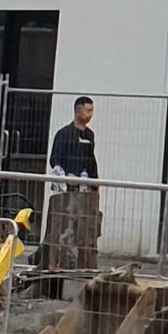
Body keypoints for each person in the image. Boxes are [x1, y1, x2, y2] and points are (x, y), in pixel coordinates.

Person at [46, 94, 101, 281]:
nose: (91, 114)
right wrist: (63, 175)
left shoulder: (89, 135)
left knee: (81, 228)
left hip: (83, 191)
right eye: (88, 110)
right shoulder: (64, 134)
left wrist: (90, 178)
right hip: (66, 191)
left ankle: (81, 263)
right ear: (78, 110)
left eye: (92, 110)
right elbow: (55, 158)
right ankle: (57, 262)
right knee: (63, 227)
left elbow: (90, 160)